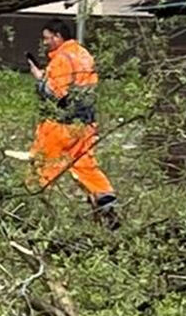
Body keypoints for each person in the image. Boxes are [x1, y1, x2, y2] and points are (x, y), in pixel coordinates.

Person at [27, 19, 118, 222]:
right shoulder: (84, 54)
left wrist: (40, 79)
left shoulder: (61, 59)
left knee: (42, 164)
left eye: (47, 38)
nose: (45, 43)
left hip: (62, 124)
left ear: (58, 37)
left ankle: (31, 208)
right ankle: (105, 199)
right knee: (85, 165)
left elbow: (57, 94)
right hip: (86, 124)